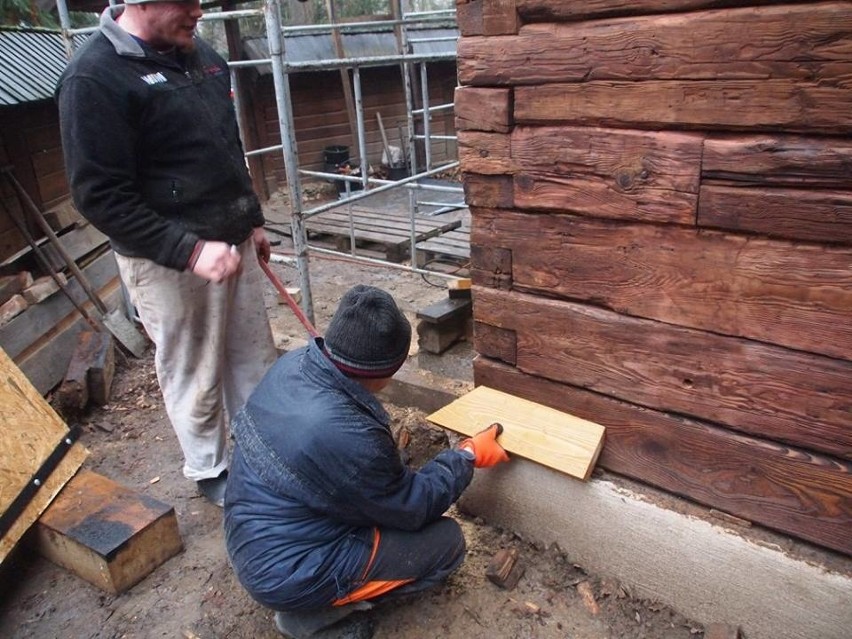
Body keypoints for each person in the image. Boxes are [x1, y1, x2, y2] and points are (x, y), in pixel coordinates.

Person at [56, 0, 277, 506]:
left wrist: (252, 218)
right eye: (186, 2)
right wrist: (189, 249)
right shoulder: (93, 79)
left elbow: (227, 144)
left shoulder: (200, 53)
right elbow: (99, 195)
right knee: (194, 369)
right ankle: (212, 469)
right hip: (167, 261)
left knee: (252, 356)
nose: (199, 12)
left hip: (232, 241)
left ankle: (264, 451)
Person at [224, 285, 510, 639]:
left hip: (252, 536)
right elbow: (414, 508)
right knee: (446, 544)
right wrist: (466, 456)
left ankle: (310, 600)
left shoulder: (292, 366)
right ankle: (313, 615)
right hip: (287, 570)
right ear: (385, 371)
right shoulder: (348, 436)